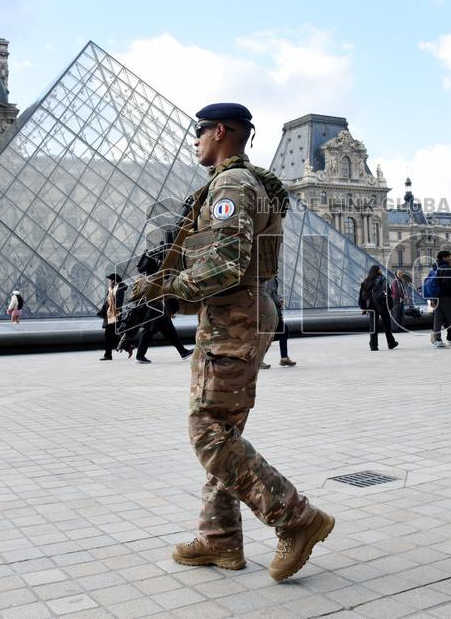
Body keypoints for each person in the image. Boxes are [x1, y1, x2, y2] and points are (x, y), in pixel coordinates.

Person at [129, 103, 333, 582]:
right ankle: (219, 540)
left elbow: (225, 263)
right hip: (238, 312)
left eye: (199, 132)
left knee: (206, 429)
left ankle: (296, 517)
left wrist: (164, 287)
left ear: (221, 132)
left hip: (233, 318)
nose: (195, 140)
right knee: (223, 430)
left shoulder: (231, 185)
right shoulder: (244, 184)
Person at [134, 299, 193, 364]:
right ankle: (139, 355)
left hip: (156, 306)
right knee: (149, 329)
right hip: (154, 305)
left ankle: (183, 351)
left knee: (167, 328)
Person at [430, 251, 451, 348]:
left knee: (437, 320)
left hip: (436, 297)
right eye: (449, 257)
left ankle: (438, 340)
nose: (450, 259)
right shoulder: (446, 268)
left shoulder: (434, 268)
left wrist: (433, 298)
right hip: (446, 297)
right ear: (444, 258)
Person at [360, 265, 399, 351]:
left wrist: (364, 307)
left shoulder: (367, 280)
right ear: (377, 270)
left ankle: (373, 345)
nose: (381, 270)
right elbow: (387, 289)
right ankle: (391, 343)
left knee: (373, 326)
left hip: (371, 305)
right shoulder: (382, 278)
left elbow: (363, 294)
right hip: (381, 304)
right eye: (380, 269)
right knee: (387, 324)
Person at [261, 277, 295, 368]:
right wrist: (278, 303)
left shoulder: (271, 279)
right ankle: (259, 359)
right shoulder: (270, 279)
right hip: (272, 312)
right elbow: (268, 296)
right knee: (269, 336)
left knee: (283, 331)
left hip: (272, 311)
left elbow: (272, 295)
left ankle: (284, 358)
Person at [97, 274, 125, 361]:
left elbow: (118, 303)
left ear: (114, 281)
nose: (109, 282)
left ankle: (108, 355)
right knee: (111, 335)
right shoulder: (111, 289)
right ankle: (128, 347)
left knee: (109, 335)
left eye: (111, 280)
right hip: (110, 315)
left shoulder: (119, 290)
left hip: (114, 316)